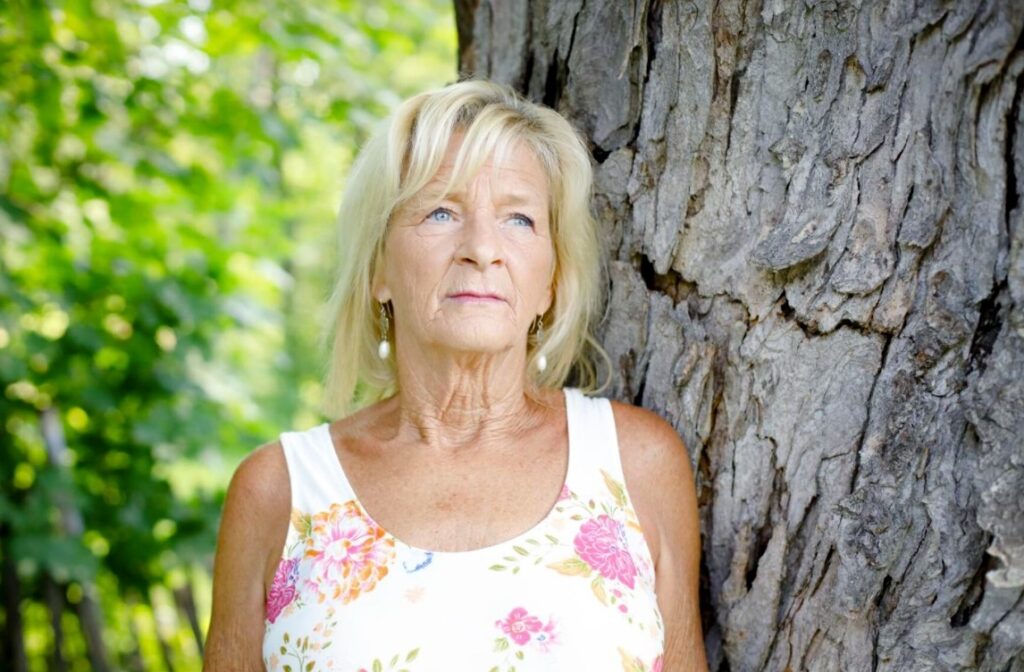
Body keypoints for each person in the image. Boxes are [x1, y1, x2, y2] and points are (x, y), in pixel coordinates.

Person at [203, 79, 707, 671]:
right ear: (378, 269)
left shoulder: (637, 463)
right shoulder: (278, 491)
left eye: (518, 219)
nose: (482, 249)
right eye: (441, 211)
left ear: (550, 279)